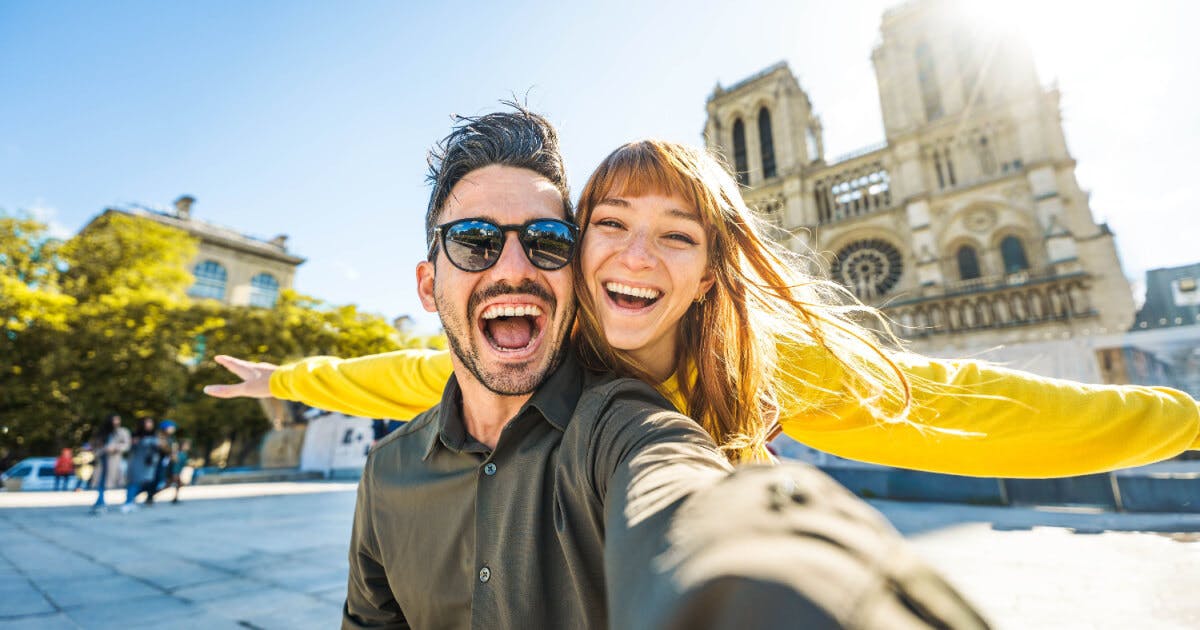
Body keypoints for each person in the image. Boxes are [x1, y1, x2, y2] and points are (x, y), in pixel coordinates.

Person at [210, 106, 987, 629]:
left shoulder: (625, 422)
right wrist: (282, 380)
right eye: (477, 240)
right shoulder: (388, 473)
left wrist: (810, 581)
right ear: (428, 282)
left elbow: (690, 497)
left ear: (570, 274)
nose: (513, 266)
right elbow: (398, 372)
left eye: (547, 241)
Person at [209, 140, 1200, 478]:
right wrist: (288, 380)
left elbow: (965, 407)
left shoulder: (755, 359)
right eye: (611, 225)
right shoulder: (540, 347)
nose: (639, 255)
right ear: (577, 243)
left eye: (679, 235)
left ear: (710, 271)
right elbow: (410, 373)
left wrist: (1184, 422)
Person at [91, 413, 131, 513]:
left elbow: (127, 445)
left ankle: (100, 503)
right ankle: (100, 503)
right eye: (115, 420)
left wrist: (116, 448)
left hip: (114, 460)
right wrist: (102, 450)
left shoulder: (122, 432)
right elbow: (94, 447)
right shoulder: (101, 433)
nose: (117, 422)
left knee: (111, 482)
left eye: (118, 420)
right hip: (102, 460)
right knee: (100, 482)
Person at [122, 417, 161, 512]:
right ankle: (128, 502)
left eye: (150, 422)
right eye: (147, 422)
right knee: (134, 481)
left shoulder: (154, 435)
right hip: (137, 461)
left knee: (145, 482)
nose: (149, 425)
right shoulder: (136, 435)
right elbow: (130, 447)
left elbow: (158, 448)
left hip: (149, 464)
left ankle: (131, 499)